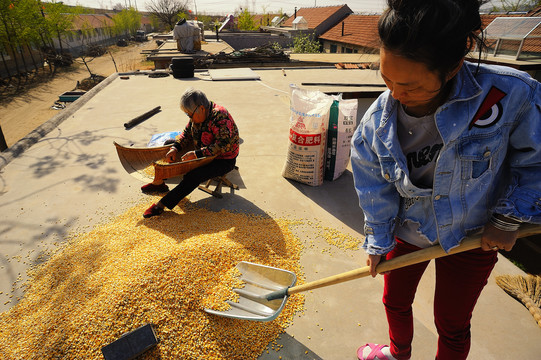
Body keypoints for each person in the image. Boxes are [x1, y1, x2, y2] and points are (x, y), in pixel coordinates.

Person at [351, 1, 541, 359]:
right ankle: (398, 353)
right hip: (408, 229)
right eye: (386, 79)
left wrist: (507, 219)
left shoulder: (508, 96)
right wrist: (377, 239)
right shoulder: (376, 122)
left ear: (453, 67)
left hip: (473, 235)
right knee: (394, 301)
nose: (395, 95)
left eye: (411, 86)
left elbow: (536, 164)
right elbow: (373, 185)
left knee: (452, 322)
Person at [142, 88, 239, 218]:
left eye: (189, 114)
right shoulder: (197, 114)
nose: (189, 117)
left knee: (193, 176)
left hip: (223, 159)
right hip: (203, 150)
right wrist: (175, 148)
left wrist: (197, 154)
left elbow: (223, 145)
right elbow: (187, 133)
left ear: (201, 108)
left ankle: (162, 205)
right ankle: (159, 184)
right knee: (168, 146)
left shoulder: (220, 116)